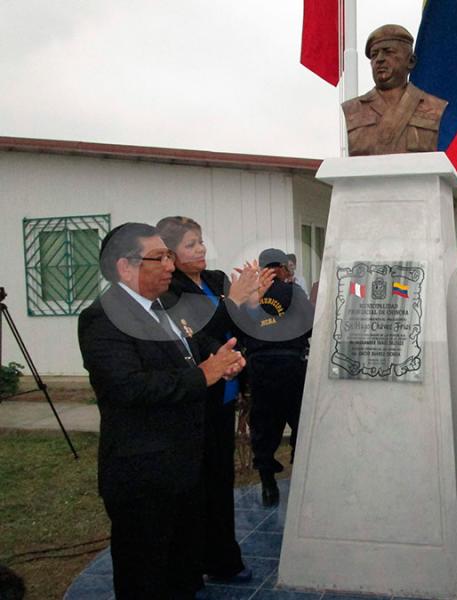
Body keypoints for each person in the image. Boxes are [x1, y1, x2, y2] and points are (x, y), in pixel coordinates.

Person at [78, 223, 245, 599]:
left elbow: (196, 349)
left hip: (182, 469)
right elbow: (127, 387)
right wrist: (204, 375)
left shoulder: (163, 306)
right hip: (143, 476)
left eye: (170, 255)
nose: (170, 264)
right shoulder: (103, 318)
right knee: (146, 576)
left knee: (182, 571)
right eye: (160, 257)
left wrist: (222, 362)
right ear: (125, 267)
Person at [156, 216, 259, 584]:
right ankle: (200, 560)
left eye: (200, 241)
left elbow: (241, 325)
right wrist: (232, 302)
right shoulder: (171, 291)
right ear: (169, 254)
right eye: (190, 244)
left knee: (221, 477)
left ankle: (220, 556)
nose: (200, 249)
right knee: (198, 482)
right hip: (197, 394)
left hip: (226, 388)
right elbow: (198, 333)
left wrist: (252, 300)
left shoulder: (216, 279)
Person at [243, 248, 315, 507]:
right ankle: (300, 480)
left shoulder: (250, 296)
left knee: (264, 425)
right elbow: (310, 325)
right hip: (292, 365)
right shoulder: (294, 292)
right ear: (282, 268)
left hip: (260, 368)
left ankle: (268, 486)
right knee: (300, 421)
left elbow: (240, 329)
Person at [342, 24, 447, 156]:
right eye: (374, 54)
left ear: (411, 61)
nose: (379, 59)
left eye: (388, 51)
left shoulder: (434, 107)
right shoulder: (353, 109)